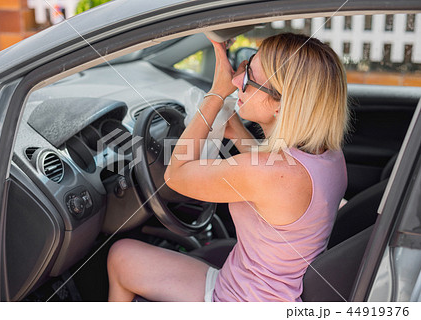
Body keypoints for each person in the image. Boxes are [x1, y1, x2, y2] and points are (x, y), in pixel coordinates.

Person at [107, 32, 349, 302]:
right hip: (263, 291)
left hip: (240, 300)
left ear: (282, 105)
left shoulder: (269, 173)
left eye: (248, 79)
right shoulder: (328, 156)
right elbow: (273, 180)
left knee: (120, 256)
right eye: (246, 64)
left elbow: (174, 176)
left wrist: (216, 95)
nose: (236, 80)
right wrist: (237, 133)